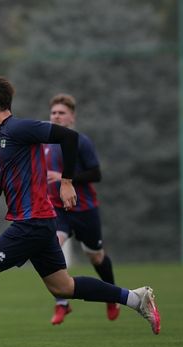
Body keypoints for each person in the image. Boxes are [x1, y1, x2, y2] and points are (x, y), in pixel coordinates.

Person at [0, 76, 160, 347]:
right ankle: (136, 299)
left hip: (32, 223)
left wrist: (66, 181)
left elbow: (69, 137)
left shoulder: (19, 128)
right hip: (39, 223)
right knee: (62, 288)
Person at [45, 93, 120, 325]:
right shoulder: (45, 143)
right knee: (50, 247)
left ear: (72, 117)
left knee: (96, 257)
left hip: (84, 209)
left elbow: (96, 174)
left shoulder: (81, 141)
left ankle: (111, 297)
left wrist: (64, 177)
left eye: (62, 113)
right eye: (54, 112)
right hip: (58, 210)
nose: (57, 116)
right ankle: (61, 303)